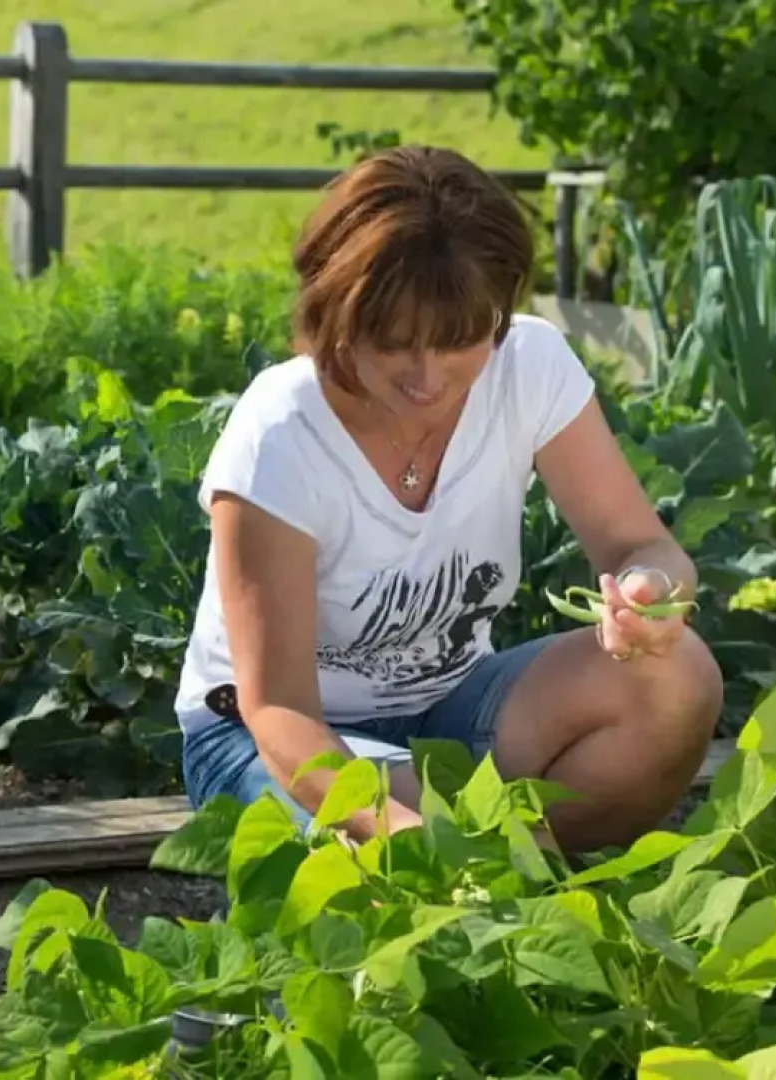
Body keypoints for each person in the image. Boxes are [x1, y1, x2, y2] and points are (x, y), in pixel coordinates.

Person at [173, 145, 723, 854]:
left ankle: (517, 874)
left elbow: (640, 545)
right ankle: (493, 870)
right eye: (394, 343)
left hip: (452, 708)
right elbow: (279, 710)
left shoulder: (529, 366)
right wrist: (411, 836)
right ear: (338, 312)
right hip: (271, 743)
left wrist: (650, 594)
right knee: (384, 854)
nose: (427, 377)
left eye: (460, 340)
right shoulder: (281, 432)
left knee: (678, 679)